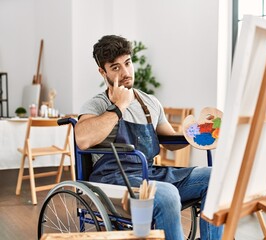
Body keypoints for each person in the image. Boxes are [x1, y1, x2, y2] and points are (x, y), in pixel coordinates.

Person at [75, 35, 223, 240]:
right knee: (168, 194)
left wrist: (196, 133)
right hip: (113, 180)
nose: (125, 72)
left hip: (149, 174)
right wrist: (119, 107)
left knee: (217, 177)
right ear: (103, 72)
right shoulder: (97, 104)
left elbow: (170, 141)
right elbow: (82, 139)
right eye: (115, 67)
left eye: (127, 63)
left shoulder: (150, 103)